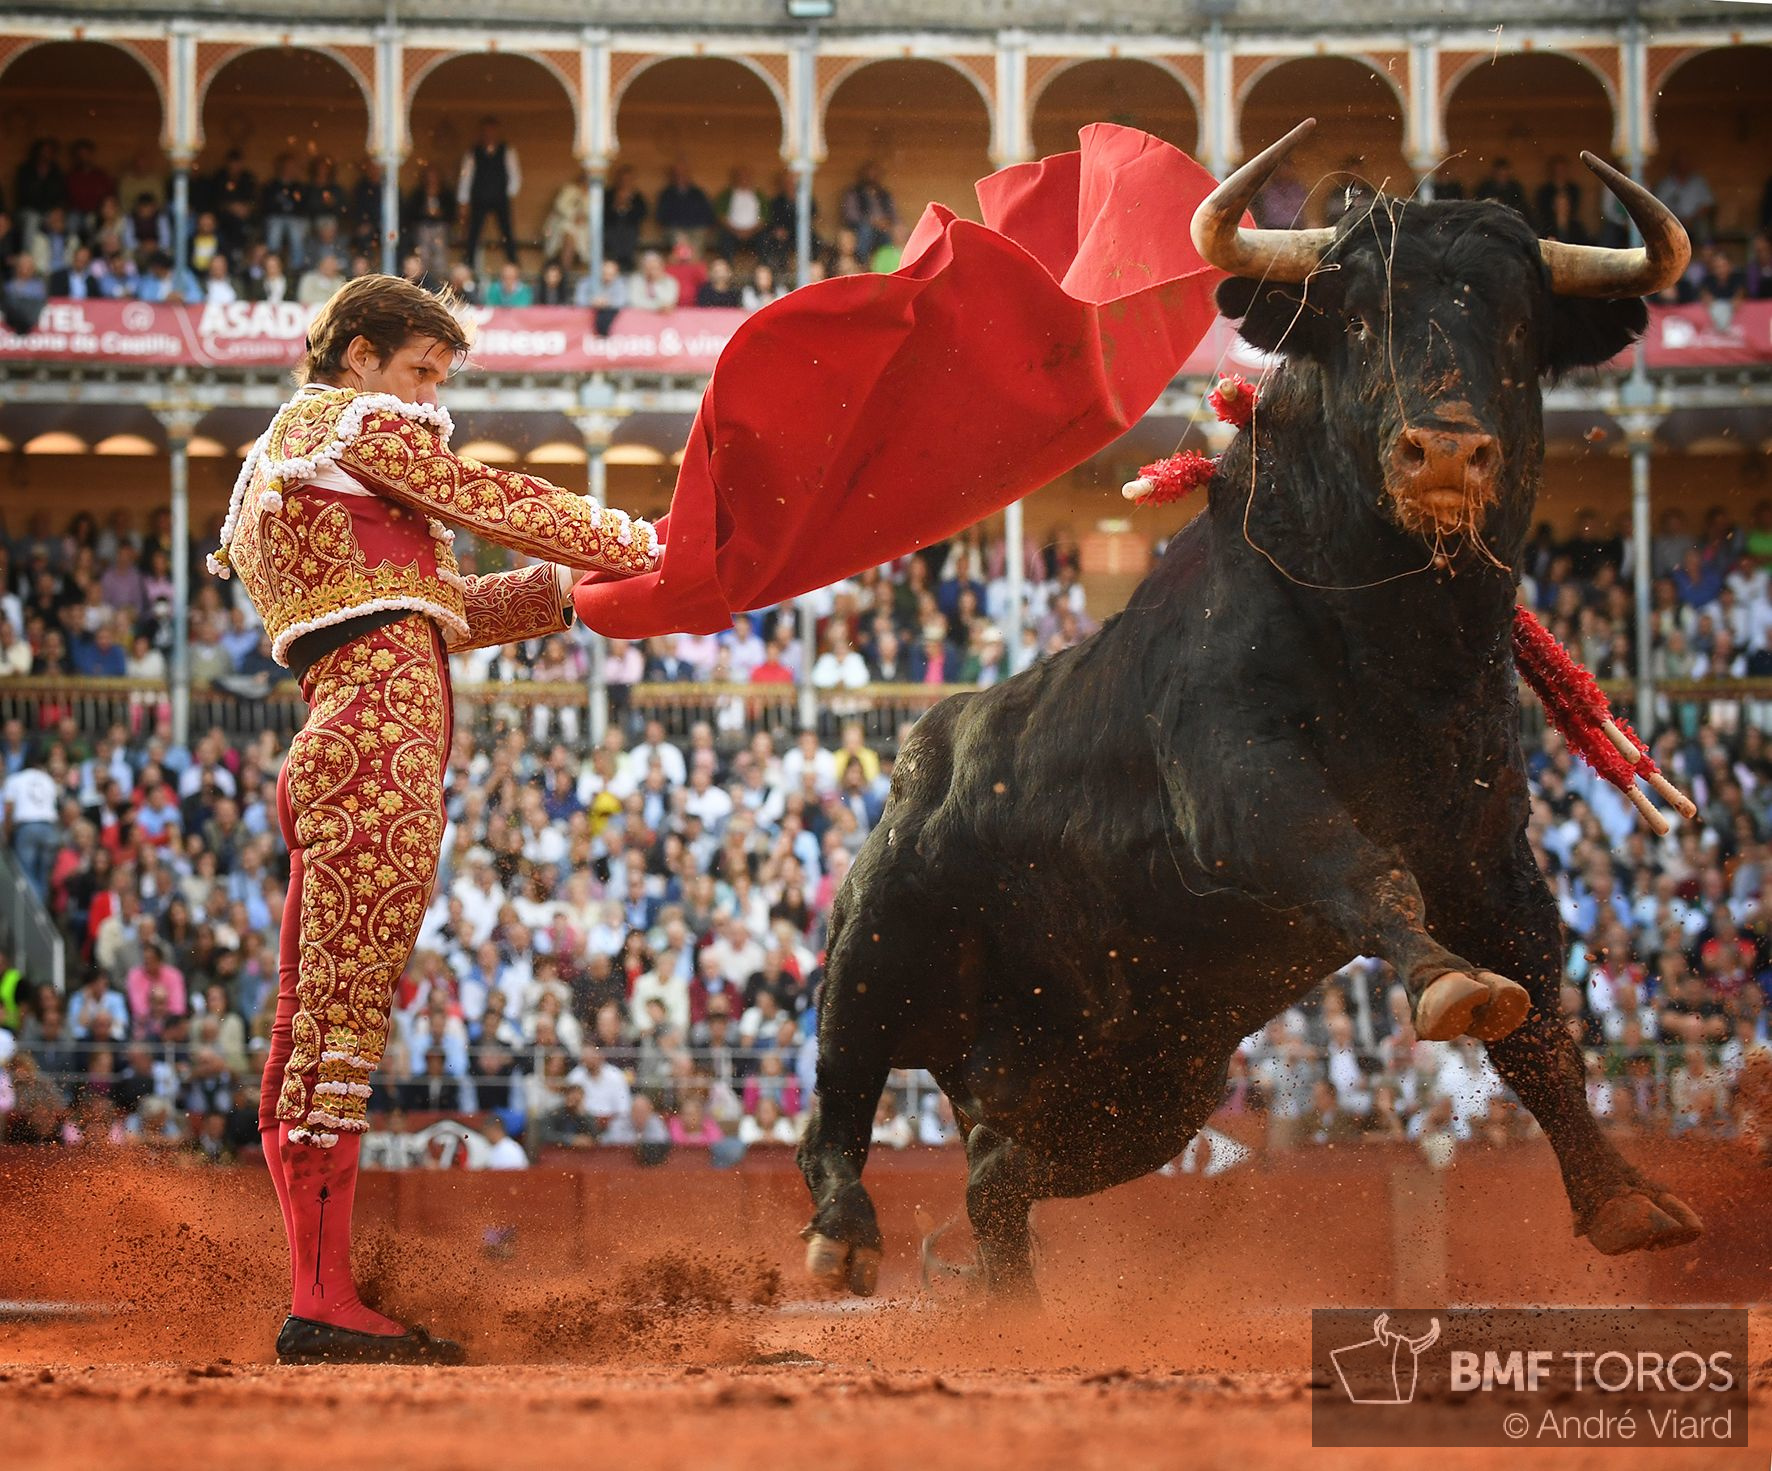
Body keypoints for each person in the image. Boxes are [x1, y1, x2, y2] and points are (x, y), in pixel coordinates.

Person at [207, 274, 658, 1365]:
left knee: (314, 1035)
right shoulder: (339, 422)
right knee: (334, 1037)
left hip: (354, 747)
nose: (427, 399)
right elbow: (488, 497)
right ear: (356, 355)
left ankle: (324, 1287)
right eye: (417, 370)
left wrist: (568, 596)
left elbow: (449, 612)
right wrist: (645, 543)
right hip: (375, 762)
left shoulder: (320, 472)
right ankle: (319, 1300)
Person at [458, 117, 521, 267]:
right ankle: (469, 264)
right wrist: (463, 200)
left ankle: (513, 262)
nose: (489, 135)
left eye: (492, 131)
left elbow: (515, 175)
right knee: (474, 231)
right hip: (480, 197)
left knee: (506, 230)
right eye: (486, 131)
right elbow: (466, 178)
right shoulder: (473, 153)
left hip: (500, 197)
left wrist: (509, 193)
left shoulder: (507, 151)